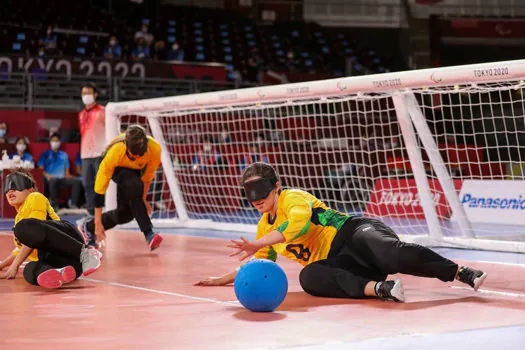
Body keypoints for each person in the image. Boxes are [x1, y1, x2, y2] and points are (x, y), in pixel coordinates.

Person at [196, 162, 488, 302]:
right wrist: (224, 279)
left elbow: (295, 227)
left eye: (261, 190)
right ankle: (380, 289)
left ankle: (460, 272)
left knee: (390, 255)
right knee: (308, 277)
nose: (256, 198)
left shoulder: (293, 198)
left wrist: (258, 242)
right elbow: (260, 264)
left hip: (354, 233)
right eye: (249, 193)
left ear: (276, 187)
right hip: (345, 265)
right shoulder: (263, 227)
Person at [0, 169, 102, 288]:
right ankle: (57, 273)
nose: (10, 190)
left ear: (30, 189)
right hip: (66, 262)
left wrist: (14, 266)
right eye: (7, 188)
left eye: (17, 185)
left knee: (23, 228)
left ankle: (86, 253)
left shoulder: (34, 197)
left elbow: (33, 235)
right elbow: (21, 250)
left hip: (68, 242)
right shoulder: (19, 218)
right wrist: (3, 265)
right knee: (29, 268)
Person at [77, 124, 163, 251]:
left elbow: (147, 178)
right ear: (126, 146)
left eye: (141, 154)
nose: (138, 157)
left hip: (135, 172)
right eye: (134, 155)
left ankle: (87, 228)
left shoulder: (154, 149)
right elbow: (99, 190)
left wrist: (143, 199)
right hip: (117, 167)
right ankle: (149, 234)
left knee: (125, 215)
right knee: (134, 185)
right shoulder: (115, 152)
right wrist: (98, 222)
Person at [78, 82, 106, 216]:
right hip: (85, 154)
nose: (86, 96)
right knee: (87, 184)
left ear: (95, 95)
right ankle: (90, 212)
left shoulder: (103, 111)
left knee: (100, 184)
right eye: (84, 93)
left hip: (100, 152)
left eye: (88, 93)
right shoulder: (81, 114)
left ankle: (103, 210)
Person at [37, 133, 83, 210]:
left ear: (60, 142)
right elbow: (40, 169)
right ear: (50, 142)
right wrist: (47, 176)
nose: (55, 142)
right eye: (53, 140)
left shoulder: (64, 155)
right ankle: (54, 205)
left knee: (76, 181)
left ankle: (72, 203)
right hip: (49, 178)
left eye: (57, 141)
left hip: (62, 178)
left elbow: (67, 172)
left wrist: (69, 176)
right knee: (53, 180)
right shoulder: (45, 154)